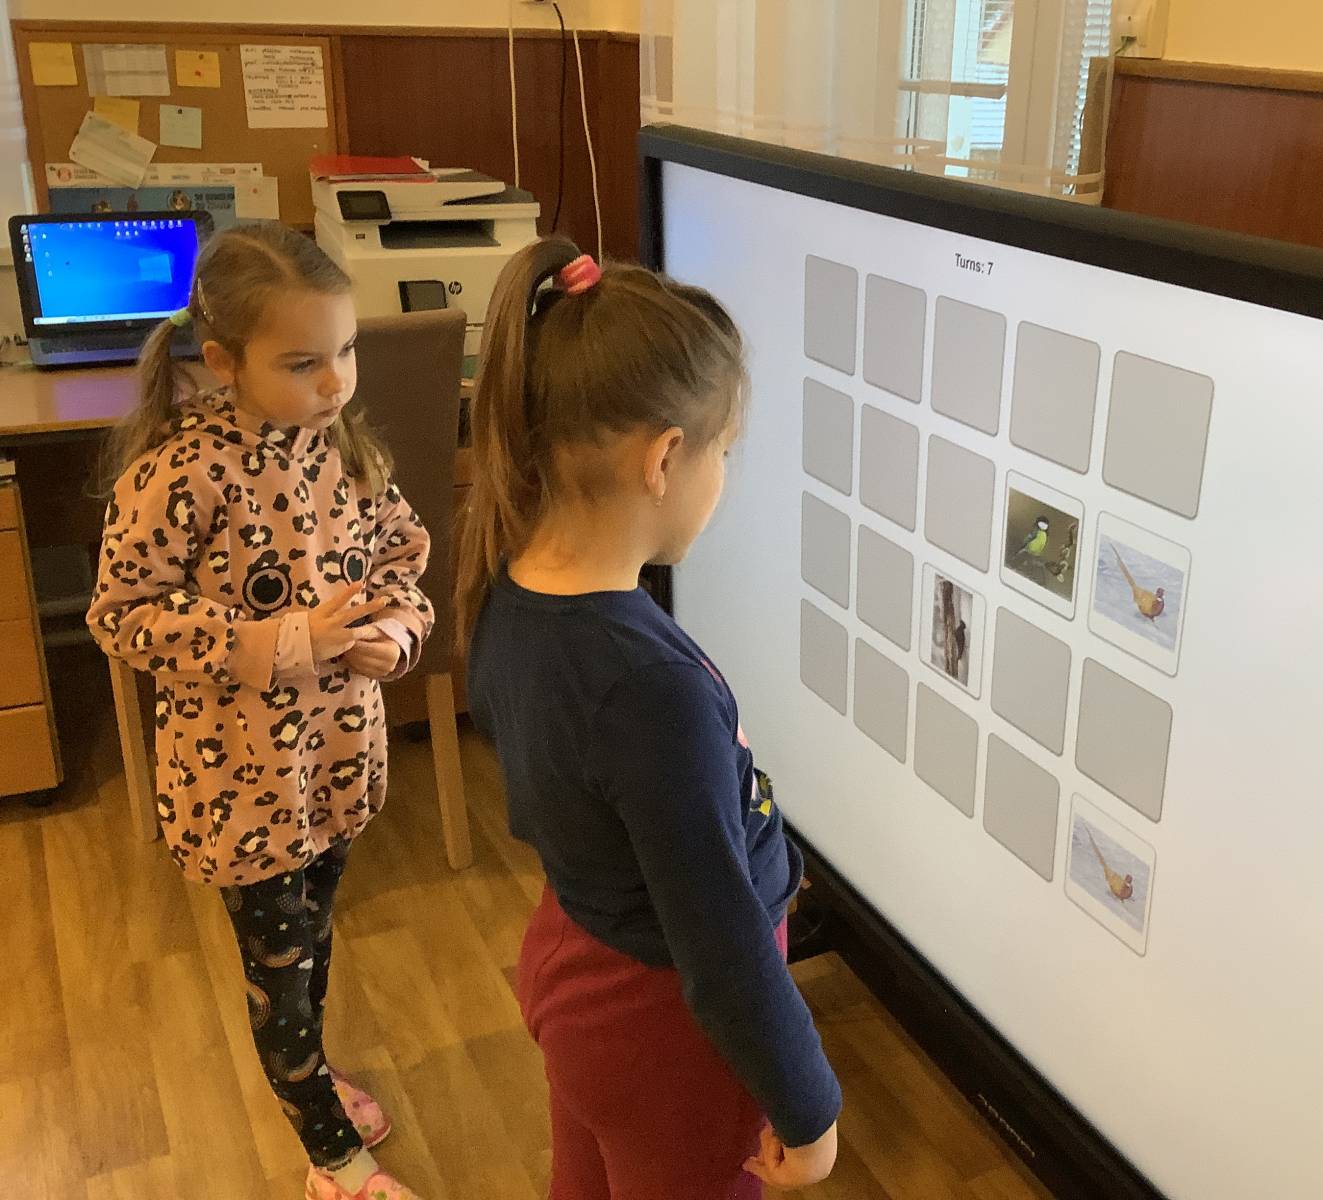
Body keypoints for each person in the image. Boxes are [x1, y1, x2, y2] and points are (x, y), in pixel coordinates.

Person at [461, 237, 842, 1197]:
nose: (725, 476)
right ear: (665, 458)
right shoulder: (647, 689)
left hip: (578, 960)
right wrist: (808, 1106)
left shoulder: (511, 591)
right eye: (725, 452)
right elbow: (719, 947)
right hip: (662, 1023)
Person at [87, 222, 434, 1200]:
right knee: (279, 970)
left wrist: (396, 634)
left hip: (336, 763)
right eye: (303, 362)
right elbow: (123, 616)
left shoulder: (344, 451)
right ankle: (329, 1153)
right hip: (242, 785)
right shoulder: (179, 474)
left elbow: (404, 559)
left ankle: (311, 1073)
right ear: (224, 361)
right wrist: (282, 643)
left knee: (312, 944)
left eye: (346, 351)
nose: (336, 381)